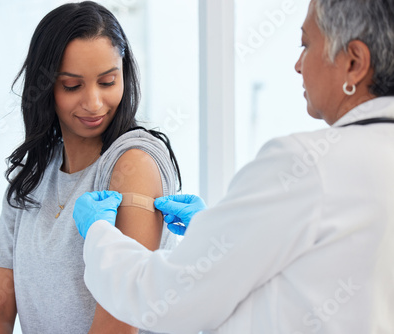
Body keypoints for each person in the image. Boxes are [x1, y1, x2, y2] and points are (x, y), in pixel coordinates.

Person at [73, 0, 394, 333]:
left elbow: (168, 299)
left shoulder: (308, 164)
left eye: (306, 44)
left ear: (354, 63)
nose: (298, 65)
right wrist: (214, 233)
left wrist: (99, 236)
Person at [0, 2, 182, 333]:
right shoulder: (30, 179)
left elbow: (119, 320)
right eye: (72, 85)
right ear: (46, 88)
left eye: (107, 82)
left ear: (124, 76)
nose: (94, 103)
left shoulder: (134, 164)